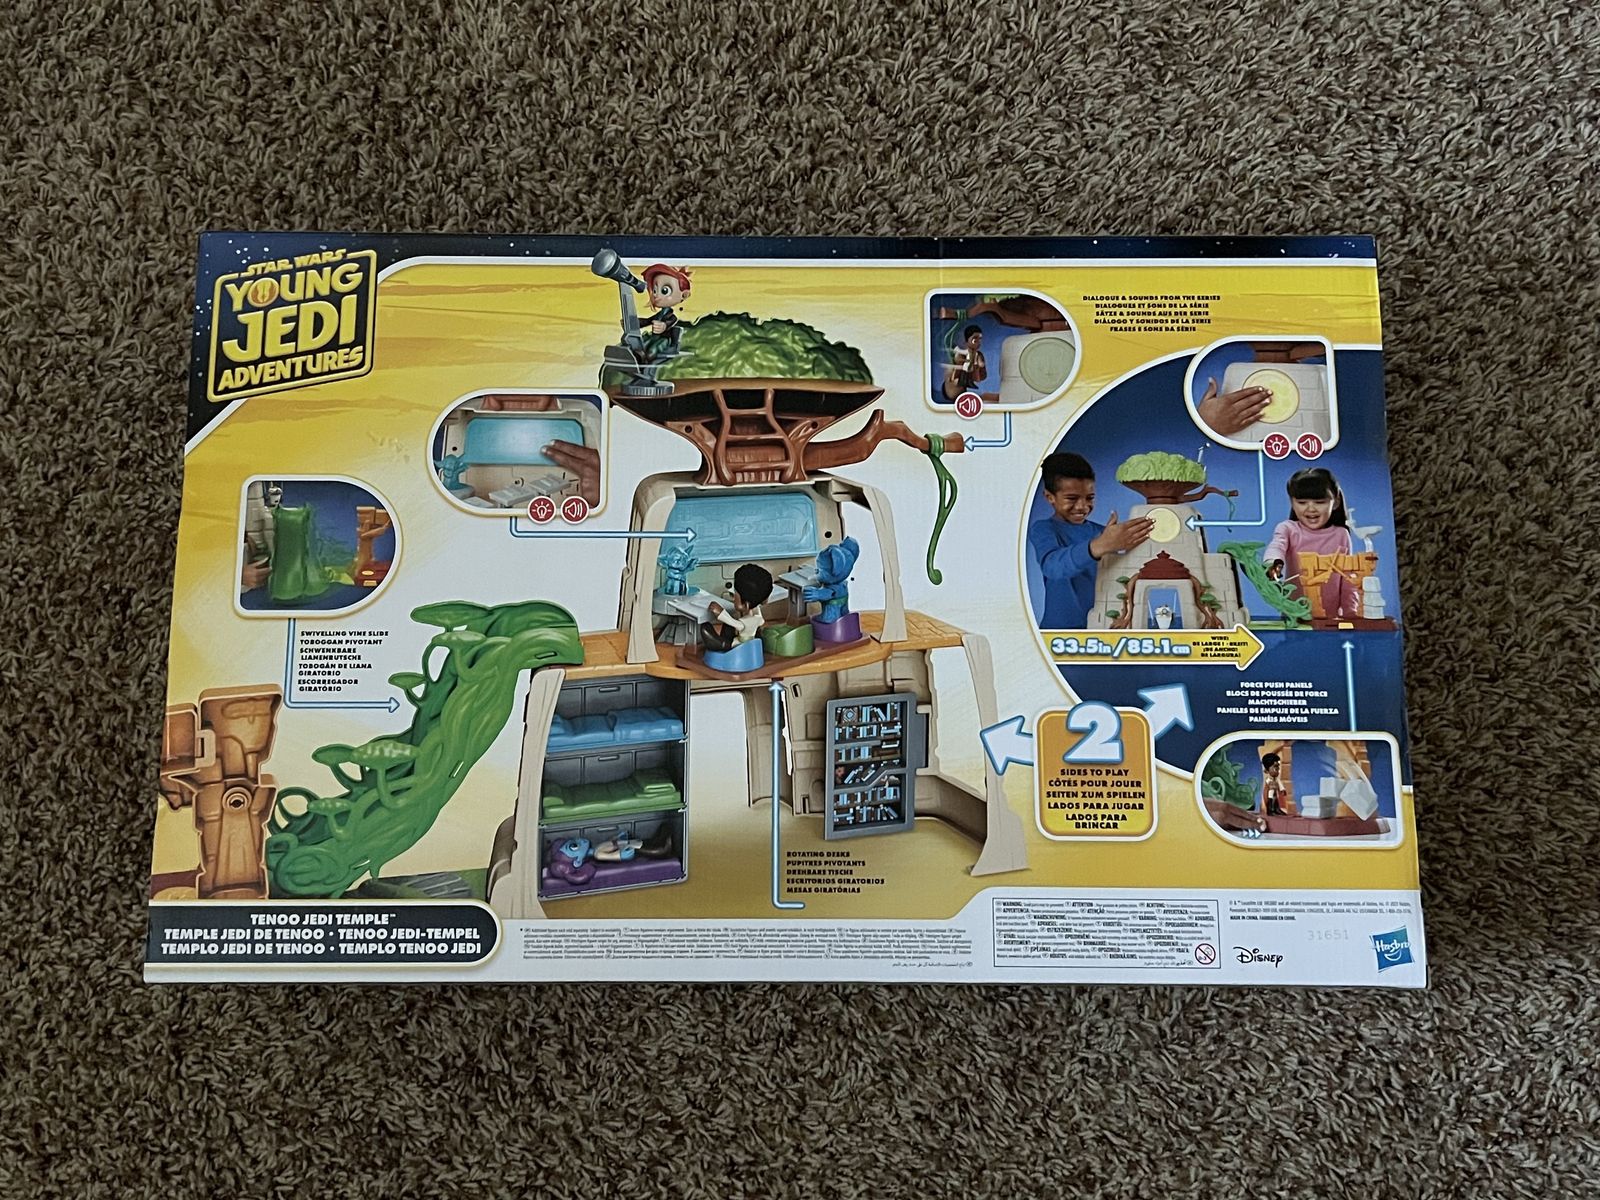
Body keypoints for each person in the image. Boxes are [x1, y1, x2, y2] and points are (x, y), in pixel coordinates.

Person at [1028, 452, 1154, 628]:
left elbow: (1124, 576)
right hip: (1059, 632)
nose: (1082, 506)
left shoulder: (1104, 533)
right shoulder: (1044, 529)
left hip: (1102, 628)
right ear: (1050, 497)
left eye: (1089, 498)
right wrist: (1101, 545)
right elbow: (1053, 567)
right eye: (1071, 498)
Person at [1264, 467, 1358, 618]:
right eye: (1302, 502)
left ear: (1335, 502)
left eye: (1319, 502)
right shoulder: (1288, 529)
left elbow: (1347, 577)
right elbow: (1277, 546)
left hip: (1331, 618)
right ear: (1292, 502)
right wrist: (1272, 563)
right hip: (1294, 616)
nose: (1311, 509)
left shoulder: (1341, 534)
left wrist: (1350, 611)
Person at [702, 563, 772, 652]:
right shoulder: (757, 613)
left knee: (722, 641)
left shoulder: (751, 621)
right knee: (728, 627)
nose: (733, 599)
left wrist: (720, 613)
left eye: (735, 596)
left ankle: (720, 644)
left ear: (745, 605)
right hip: (743, 635)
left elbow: (735, 624)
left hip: (741, 644)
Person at [640, 264, 691, 355]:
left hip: (665, 340)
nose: (656, 295)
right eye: (655, 291)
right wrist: (632, 321)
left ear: (684, 295)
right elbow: (647, 321)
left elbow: (669, 323)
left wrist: (664, 326)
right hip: (654, 338)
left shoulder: (672, 316)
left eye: (664, 291)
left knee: (652, 351)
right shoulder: (659, 315)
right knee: (641, 347)